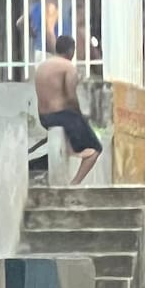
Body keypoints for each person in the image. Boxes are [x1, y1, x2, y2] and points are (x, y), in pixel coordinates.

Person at [35, 35, 101, 186]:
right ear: (71, 51)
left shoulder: (42, 67)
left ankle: (73, 150)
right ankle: (74, 183)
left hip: (44, 118)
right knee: (96, 148)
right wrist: (80, 114)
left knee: (75, 132)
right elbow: (71, 97)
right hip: (61, 116)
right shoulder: (68, 67)